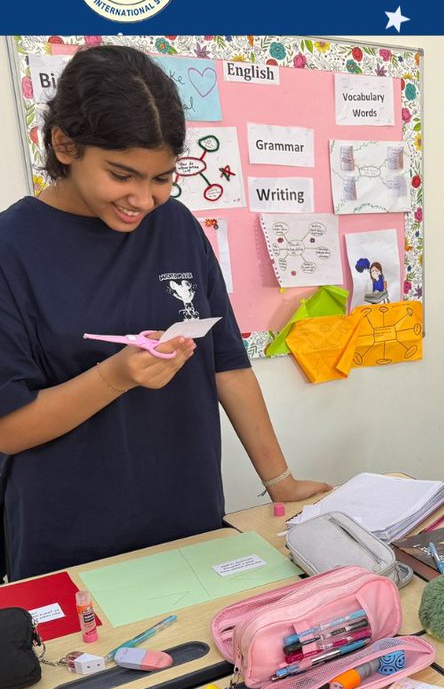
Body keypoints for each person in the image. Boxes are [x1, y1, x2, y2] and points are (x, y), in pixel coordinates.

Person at [0, 45, 329, 581]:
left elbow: (228, 364)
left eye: (161, 178)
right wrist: (115, 376)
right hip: (68, 537)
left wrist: (281, 480)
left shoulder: (175, 226)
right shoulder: (11, 249)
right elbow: (7, 429)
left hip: (187, 517)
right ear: (65, 144)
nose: (143, 198)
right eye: (122, 174)